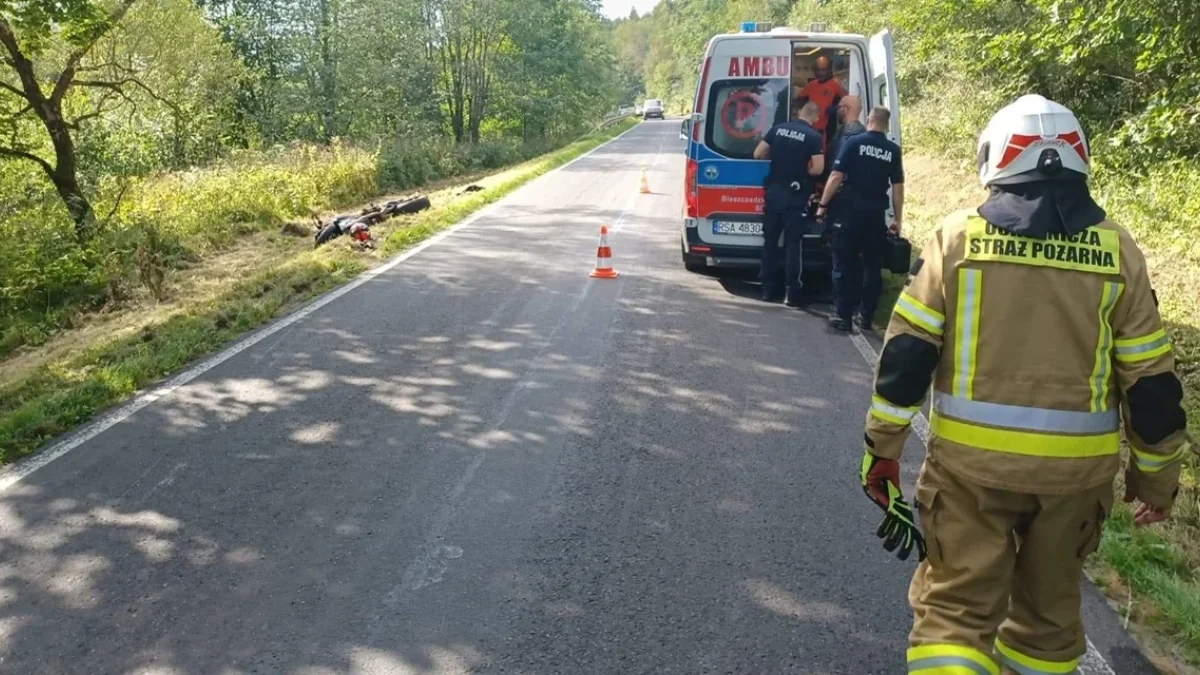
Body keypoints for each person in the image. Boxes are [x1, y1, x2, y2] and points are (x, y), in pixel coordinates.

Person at [857, 94, 1191, 675]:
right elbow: (1152, 384)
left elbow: (907, 360)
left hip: (969, 472)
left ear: (994, 161)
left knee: (954, 615)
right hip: (1075, 480)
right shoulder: (1119, 252)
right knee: (1047, 628)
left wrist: (882, 450)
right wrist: (1156, 480)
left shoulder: (956, 240)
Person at [817, 106, 904, 331]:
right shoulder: (893, 150)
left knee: (843, 262)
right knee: (872, 266)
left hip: (849, 212)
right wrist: (897, 219)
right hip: (875, 214)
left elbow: (836, 175)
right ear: (886, 123)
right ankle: (866, 316)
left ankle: (843, 315)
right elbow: (898, 189)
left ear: (869, 120)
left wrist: (823, 205)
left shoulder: (854, 143)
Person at [752, 101, 825, 306]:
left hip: (774, 194)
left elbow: (758, 153)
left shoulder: (778, 129)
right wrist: (804, 174)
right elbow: (818, 169)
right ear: (815, 118)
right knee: (793, 246)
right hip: (795, 197)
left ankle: (767, 289)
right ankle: (791, 294)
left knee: (770, 243)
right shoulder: (813, 137)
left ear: (799, 113)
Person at [795, 55, 847, 136]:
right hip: (810, 128)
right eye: (818, 70)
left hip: (829, 129)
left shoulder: (836, 85)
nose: (820, 72)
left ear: (829, 70)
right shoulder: (811, 85)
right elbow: (799, 100)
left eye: (823, 70)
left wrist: (836, 108)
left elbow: (846, 104)